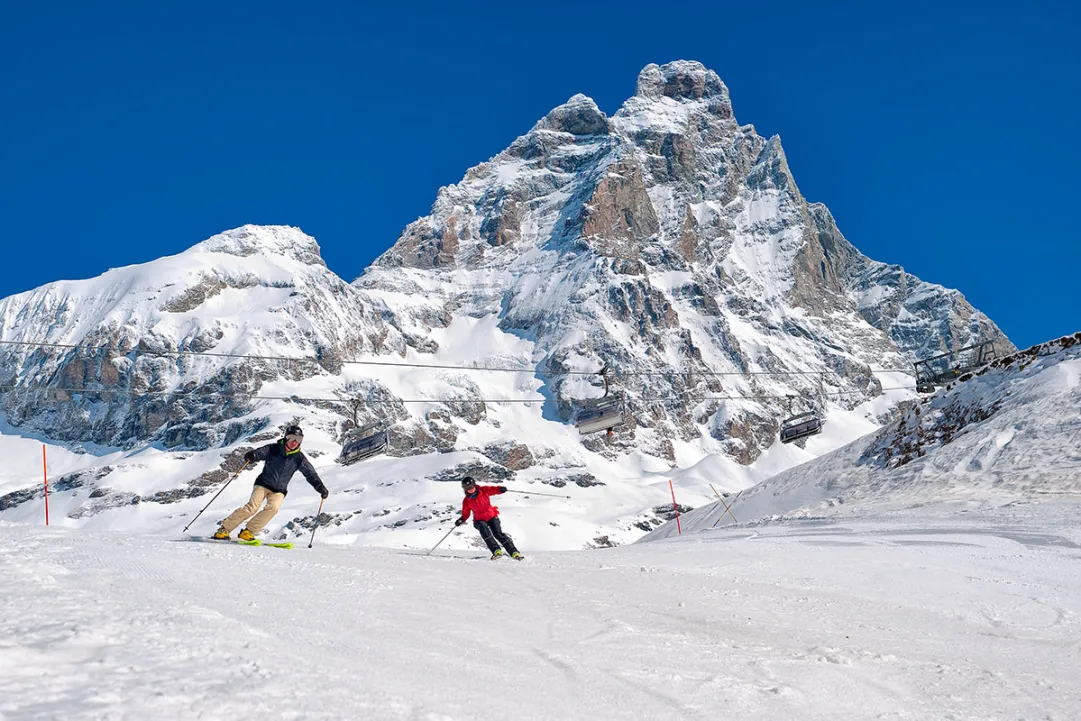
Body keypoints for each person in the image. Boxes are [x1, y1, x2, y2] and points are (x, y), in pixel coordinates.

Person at [214, 425, 328, 541]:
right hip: (263, 484)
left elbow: (311, 474)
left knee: (273, 509)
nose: (295, 442)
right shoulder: (274, 449)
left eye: (298, 439)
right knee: (252, 508)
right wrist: (252, 455)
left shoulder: (299, 458)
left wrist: (321, 488)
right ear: (286, 438)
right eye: (292, 438)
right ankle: (224, 529)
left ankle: (248, 531)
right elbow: (260, 453)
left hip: (279, 490)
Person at [455, 476, 523, 560]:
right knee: (485, 531)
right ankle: (496, 551)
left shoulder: (483, 490)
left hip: (491, 516)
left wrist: (500, 489)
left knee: (498, 534)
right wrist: (461, 519)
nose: (470, 489)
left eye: (471, 487)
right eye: (467, 488)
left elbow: (492, 489)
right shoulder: (466, 501)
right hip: (479, 520)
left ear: (474, 485)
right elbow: (465, 514)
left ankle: (514, 552)